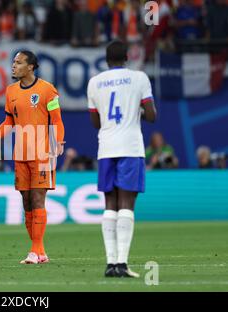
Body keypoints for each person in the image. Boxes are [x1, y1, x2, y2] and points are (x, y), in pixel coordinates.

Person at [0, 50, 65, 264]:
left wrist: (58, 142)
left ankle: (34, 251)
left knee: (38, 199)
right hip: (21, 155)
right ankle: (40, 251)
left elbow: (56, 120)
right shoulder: (10, 91)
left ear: (31, 67)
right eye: (13, 62)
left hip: (42, 153)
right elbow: (9, 122)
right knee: (26, 202)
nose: (13, 66)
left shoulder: (47, 90)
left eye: (18, 63)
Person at [87, 40, 157, 278]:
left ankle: (110, 264)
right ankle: (122, 263)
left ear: (106, 60)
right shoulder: (139, 78)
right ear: (127, 57)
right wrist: (136, 109)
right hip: (130, 146)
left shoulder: (94, 82)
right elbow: (152, 116)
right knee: (127, 204)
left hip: (106, 147)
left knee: (110, 205)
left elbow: (95, 122)